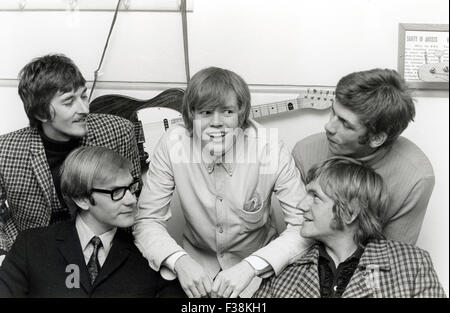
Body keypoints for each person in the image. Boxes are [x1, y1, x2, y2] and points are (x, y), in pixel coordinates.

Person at [133, 67, 308, 298]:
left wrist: (252, 266)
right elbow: (147, 220)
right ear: (190, 115)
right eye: (205, 112)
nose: (217, 123)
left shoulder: (269, 146)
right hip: (194, 269)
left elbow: (304, 226)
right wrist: (179, 261)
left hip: (257, 271)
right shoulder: (173, 143)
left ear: (241, 114)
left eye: (227, 111)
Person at [0, 54, 141, 263]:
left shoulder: (119, 132)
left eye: (83, 96)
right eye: (69, 102)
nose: (85, 109)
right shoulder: (6, 150)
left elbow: (134, 193)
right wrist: (9, 251)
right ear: (41, 113)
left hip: (105, 252)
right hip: (38, 258)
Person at [0, 146, 181, 297]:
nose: (132, 200)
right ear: (82, 199)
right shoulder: (30, 246)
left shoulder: (150, 252)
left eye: (131, 188)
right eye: (116, 192)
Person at [254, 157, 446, 298]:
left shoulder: (412, 264)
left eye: (316, 197)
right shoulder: (285, 267)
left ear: (350, 212)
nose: (301, 205)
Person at [292, 68, 434, 244]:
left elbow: (394, 257)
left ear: (376, 138)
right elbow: (296, 235)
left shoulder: (416, 178)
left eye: (345, 124)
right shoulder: (305, 152)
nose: (329, 126)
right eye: (333, 112)